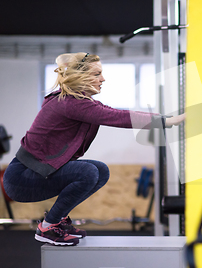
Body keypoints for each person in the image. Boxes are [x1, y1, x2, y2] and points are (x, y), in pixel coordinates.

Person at [2, 52, 184, 246]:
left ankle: (57, 220)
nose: (103, 79)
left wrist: (165, 119)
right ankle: (48, 227)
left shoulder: (78, 102)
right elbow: (118, 117)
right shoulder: (69, 104)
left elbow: (114, 112)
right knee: (87, 172)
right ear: (81, 76)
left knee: (101, 170)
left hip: (36, 173)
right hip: (22, 178)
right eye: (97, 74)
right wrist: (169, 120)